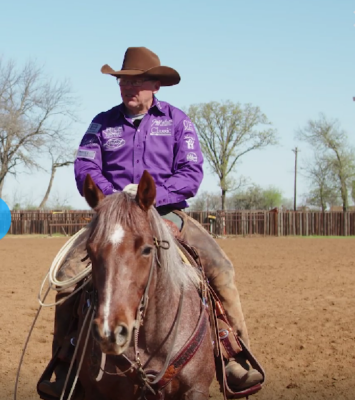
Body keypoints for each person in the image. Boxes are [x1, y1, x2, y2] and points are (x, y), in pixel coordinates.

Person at [36, 47, 263, 399]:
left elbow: (191, 173)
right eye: (123, 81)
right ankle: (64, 363)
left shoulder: (178, 121)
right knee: (66, 278)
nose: (129, 88)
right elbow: (85, 168)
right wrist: (117, 198)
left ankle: (233, 356)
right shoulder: (101, 123)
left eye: (138, 81)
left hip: (165, 212)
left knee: (221, 269)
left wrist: (150, 196)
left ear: (155, 84)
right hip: (112, 217)